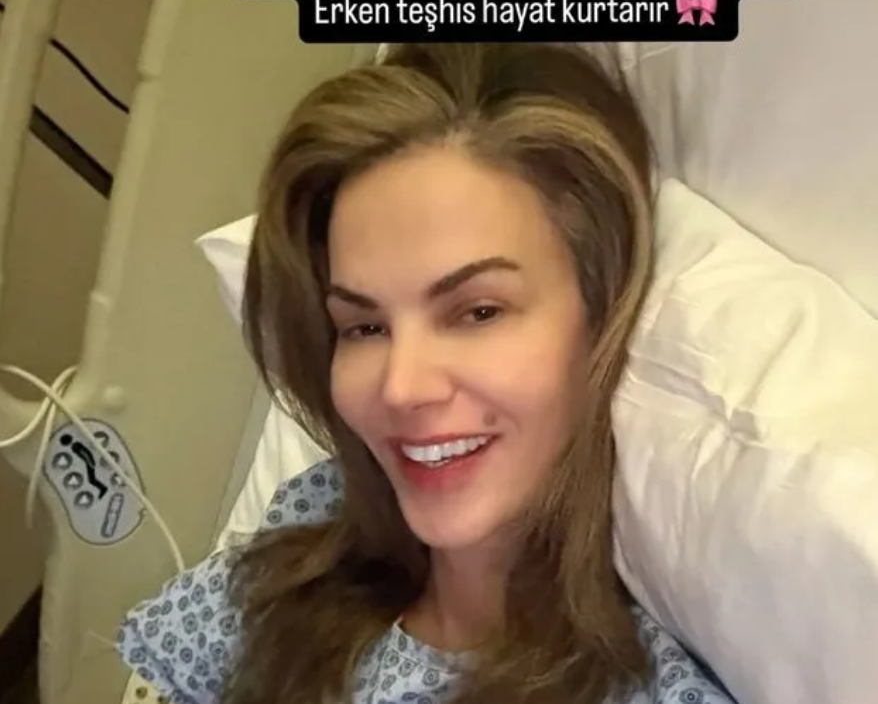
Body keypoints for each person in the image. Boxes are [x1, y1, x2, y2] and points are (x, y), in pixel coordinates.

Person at [116, 43, 735, 704]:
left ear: (603, 318)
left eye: (478, 312)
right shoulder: (302, 554)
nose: (401, 388)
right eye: (364, 327)